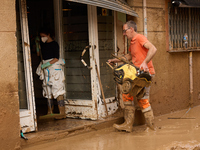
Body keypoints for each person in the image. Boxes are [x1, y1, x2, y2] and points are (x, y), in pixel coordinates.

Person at [108, 20, 157, 132]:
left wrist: (145, 62)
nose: (124, 34)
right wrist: (115, 60)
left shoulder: (139, 38)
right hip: (136, 75)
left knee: (142, 100)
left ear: (131, 29)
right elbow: (130, 56)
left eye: (125, 31)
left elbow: (153, 48)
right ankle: (128, 124)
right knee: (126, 95)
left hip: (145, 75)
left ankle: (151, 127)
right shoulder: (132, 42)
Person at [36, 27, 66, 119]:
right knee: (47, 90)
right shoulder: (43, 44)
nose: (42, 38)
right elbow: (38, 54)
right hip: (46, 69)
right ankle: (50, 111)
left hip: (54, 68)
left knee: (57, 89)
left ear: (48, 35)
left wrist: (48, 64)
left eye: (43, 36)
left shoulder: (54, 44)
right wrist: (37, 46)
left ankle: (62, 112)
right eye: (40, 36)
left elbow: (56, 58)